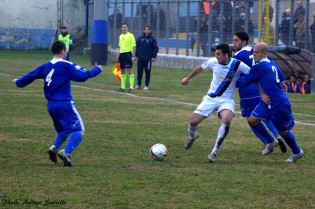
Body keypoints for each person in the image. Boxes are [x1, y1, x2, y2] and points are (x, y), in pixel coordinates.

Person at [11, 40, 104, 167]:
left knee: (63, 131)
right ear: (63, 52)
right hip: (64, 104)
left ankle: (53, 148)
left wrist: (18, 82)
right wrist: (97, 69)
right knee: (79, 130)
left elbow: (30, 75)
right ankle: (66, 152)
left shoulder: (45, 66)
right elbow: (83, 76)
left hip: (51, 106)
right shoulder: (65, 65)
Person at [181, 43, 251, 163]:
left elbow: (253, 74)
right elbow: (200, 68)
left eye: (219, 54)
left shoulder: (238, 65)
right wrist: (188, 78)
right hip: (211, 99)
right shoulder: (213, 61)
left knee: (227, 119)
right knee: (193, 122)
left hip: (226, 100)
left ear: (226, 55)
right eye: (216, 54)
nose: (216, 56)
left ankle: (214, 151)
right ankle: (193, 136)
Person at [238, 42, 304, 162]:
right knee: (252, 121)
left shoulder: (259, 67)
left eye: (256, 52)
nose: (254, 54)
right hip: (266, 100)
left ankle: (297, 151)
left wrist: (229, 77)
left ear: (265, 53)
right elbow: (279, 78)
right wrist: (262, 93)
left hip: (278, 102)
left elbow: (244, 82)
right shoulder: (271, 63)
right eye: (253, 52)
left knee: (282, 131)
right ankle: (270, 141)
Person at [233, 32, 287, 153]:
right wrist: (281, 82)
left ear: (244, 42)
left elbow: (231, 70)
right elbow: (274, 68)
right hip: (262, 91)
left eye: (236, 40)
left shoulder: (239, 55)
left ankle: (268, 141)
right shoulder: (261, 52)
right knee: (266, 116)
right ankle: (277, 136)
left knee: (250, 118)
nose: (234, 43)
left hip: (247, 91)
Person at [135, 25, 159, 90]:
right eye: (145, 29)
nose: (146, 30)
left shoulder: (152, 39)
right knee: (139, 72)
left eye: (148, 29)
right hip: (140, 59)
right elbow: (137, 47)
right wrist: (136, 55)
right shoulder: (140, 38)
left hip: (148, 59)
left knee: (147, 72)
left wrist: (153, 56)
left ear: (150, 30)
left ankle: (146, 85)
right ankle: (138, 84)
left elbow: (155, 48)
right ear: (143, 30)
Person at [117, 23, 136, 93]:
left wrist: (133, 56)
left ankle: (131, 87)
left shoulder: (131, 35)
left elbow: (134, 46)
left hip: (128, 54)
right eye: (123, 27)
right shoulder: (120, 36)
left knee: (129, 70)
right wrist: (118, 55)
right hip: (122, 54)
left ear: (127, 28)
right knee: (122, 71)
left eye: (125, 27)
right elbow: (120, 46)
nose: (124, 28)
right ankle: (122, 87)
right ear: (121, 28)